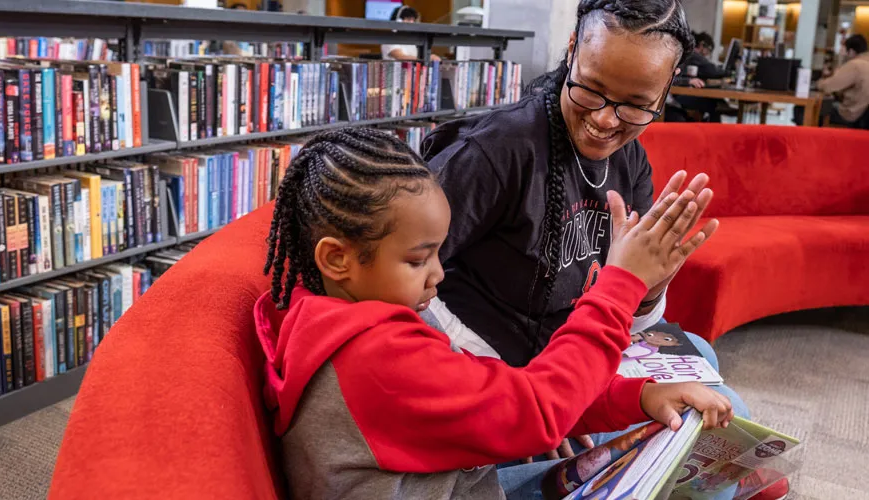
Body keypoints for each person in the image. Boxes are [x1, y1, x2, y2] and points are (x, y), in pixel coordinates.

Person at [422, 0, 785, 497]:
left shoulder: (629, 160)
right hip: (496, 373)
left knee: (700, 361)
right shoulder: (495, 151)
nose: (606, 120)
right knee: (722, 419)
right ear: (572, 51)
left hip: (568, 358)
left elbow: (624, 317)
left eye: (637, 104)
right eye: (590, 89)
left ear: (668, 87)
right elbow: (399, 291)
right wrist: (520, 395)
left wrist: (651, 287)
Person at [255, 127, 732, 500]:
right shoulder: (373, 355)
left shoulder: (341, 314)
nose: (437, 275)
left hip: (464, 481)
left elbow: (495, 387)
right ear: (337, 259)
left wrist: (639, 397)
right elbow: (537, 412)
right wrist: (621, 283)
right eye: (418, 260)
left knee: (682, 439)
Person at [813, 34, 869, 127]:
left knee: (812, 108)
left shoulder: (855, 65)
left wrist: (818, 83)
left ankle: (814, 138)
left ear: (851, 51)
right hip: (862, 114)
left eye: (844, 50)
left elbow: (829, 86)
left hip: (851, 113)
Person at [671, 31, 728, 121]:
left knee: (714, 103)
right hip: (676, 95)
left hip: (679, 92)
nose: (707, 55)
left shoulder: (687, 53)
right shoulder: (692, 54)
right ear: (701, 45)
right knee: (714, 105)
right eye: (708, 51)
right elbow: (712, 70)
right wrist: (689, 81)